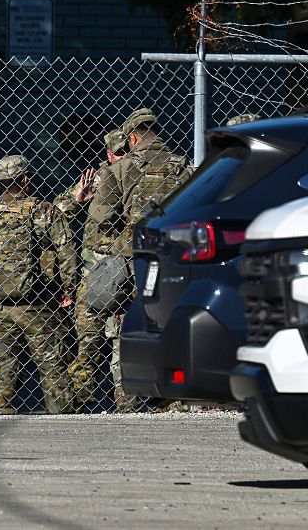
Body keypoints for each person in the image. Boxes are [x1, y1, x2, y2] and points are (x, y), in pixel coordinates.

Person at [86, 108, 193, 411]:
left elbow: (98, 226)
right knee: (173, 326)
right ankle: (175, 401)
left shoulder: (117, 172)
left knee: (126, 330)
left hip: (134, 267)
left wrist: (128, 242)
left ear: (132, 137)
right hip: (178, 263)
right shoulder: (186, 167)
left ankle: (128, 402)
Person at [0, 155, 76, 414]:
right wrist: (68, 289)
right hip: (39, 302)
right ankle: (63, 418)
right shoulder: (44, 211)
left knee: (3, 362)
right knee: (51, 362)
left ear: (0, 181)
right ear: (25, 179)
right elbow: (66, 252)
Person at [54, 128, 132, 410]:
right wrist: (79, 199)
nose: (123, 158)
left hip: (128, 270)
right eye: (118, 153)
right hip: (95, 272)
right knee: (88, 343)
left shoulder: (139, 177)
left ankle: (126, 403)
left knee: (126, 342)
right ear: (109, 154)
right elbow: (57, 213)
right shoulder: (100, 177)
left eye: (127, 152)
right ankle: (80, 403)